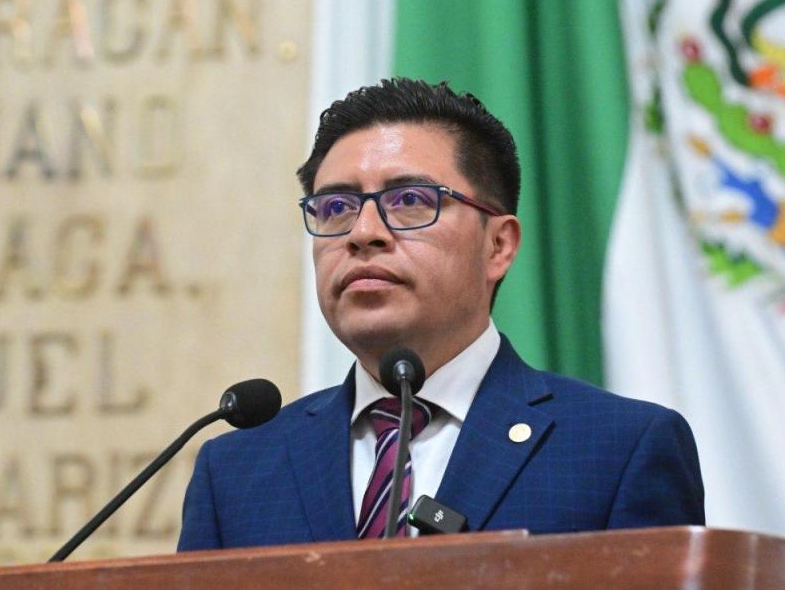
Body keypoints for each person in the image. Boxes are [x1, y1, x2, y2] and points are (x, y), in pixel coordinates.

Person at [177, 78, 704, 550]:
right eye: (335, 208)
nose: (363, 233)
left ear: (498, 245)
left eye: (409, 199)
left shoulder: (618, 450)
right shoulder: (236, 472)